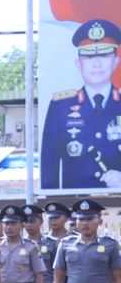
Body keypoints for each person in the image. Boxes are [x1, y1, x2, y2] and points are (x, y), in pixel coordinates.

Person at [40, 18, 121, 189]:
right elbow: (50, 164)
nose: (97, 64)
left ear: (115, 61)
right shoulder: (60, 107)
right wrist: (54, 206)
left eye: (104, 55)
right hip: (77, 209)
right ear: (79, 63)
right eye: (89, 56)